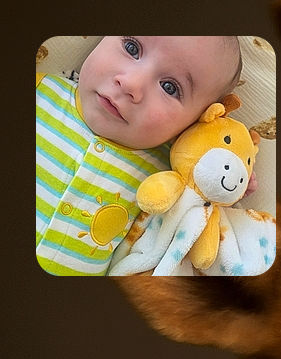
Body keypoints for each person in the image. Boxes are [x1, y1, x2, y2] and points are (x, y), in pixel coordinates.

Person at [36, 36, 242, 276]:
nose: (131, 84)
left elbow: (203, 207)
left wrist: (229, 175)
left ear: (198, 121)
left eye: (169, 87)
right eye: (131, 48)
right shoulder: (39, 91)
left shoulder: (170, 175)